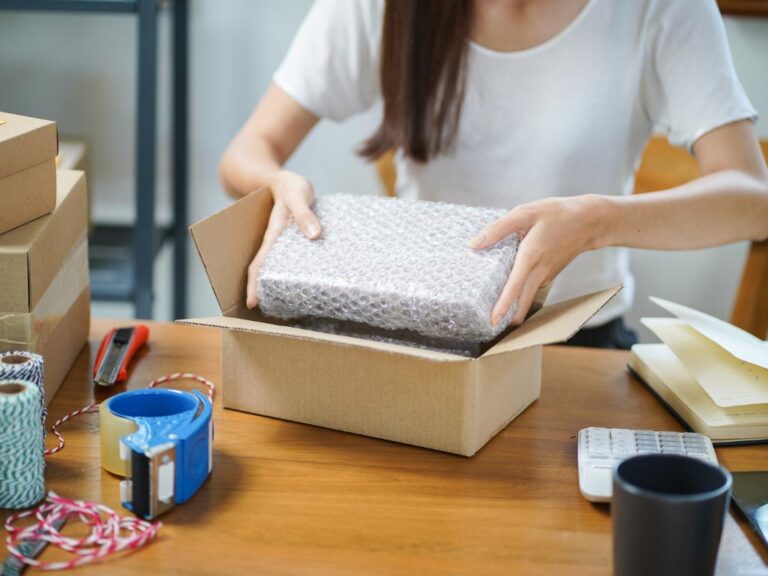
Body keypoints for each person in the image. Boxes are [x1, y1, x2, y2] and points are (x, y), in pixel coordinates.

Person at [219, 0, 768, 349]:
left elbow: (752, 199)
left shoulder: (659, 9)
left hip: (573, 349)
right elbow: (246, 152)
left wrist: (596, 221)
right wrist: (278, 185)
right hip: (410, 339)